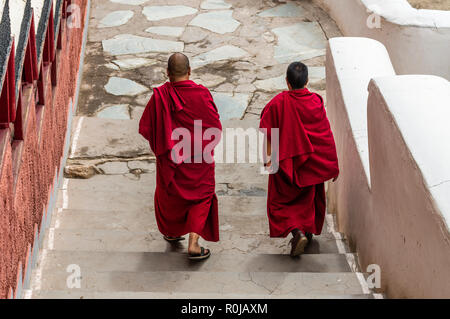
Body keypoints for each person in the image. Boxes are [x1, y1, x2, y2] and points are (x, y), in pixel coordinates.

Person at [139, 53, 222, 261]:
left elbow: (146, 128)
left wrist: (165, 148)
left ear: (167, 73)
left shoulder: (160, 97)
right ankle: (194, 243)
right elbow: (215, 127)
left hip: (172, 160)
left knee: (171, 196)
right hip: (199, 160)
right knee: (201, 197)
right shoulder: (202, 94)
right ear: (190, 71)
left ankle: (173, 232)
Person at [259, 62, 339, 257]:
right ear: (307, 81)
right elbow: (324, 134)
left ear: (287, 82)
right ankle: (307, 231)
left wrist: (268, 159)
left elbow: (270, 133)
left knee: (280, 202)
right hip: (312, 164)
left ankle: (297, 232)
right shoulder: (316, 101)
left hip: (287, 164)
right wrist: (332, 163)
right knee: (309, 198)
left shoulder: (278, 103)